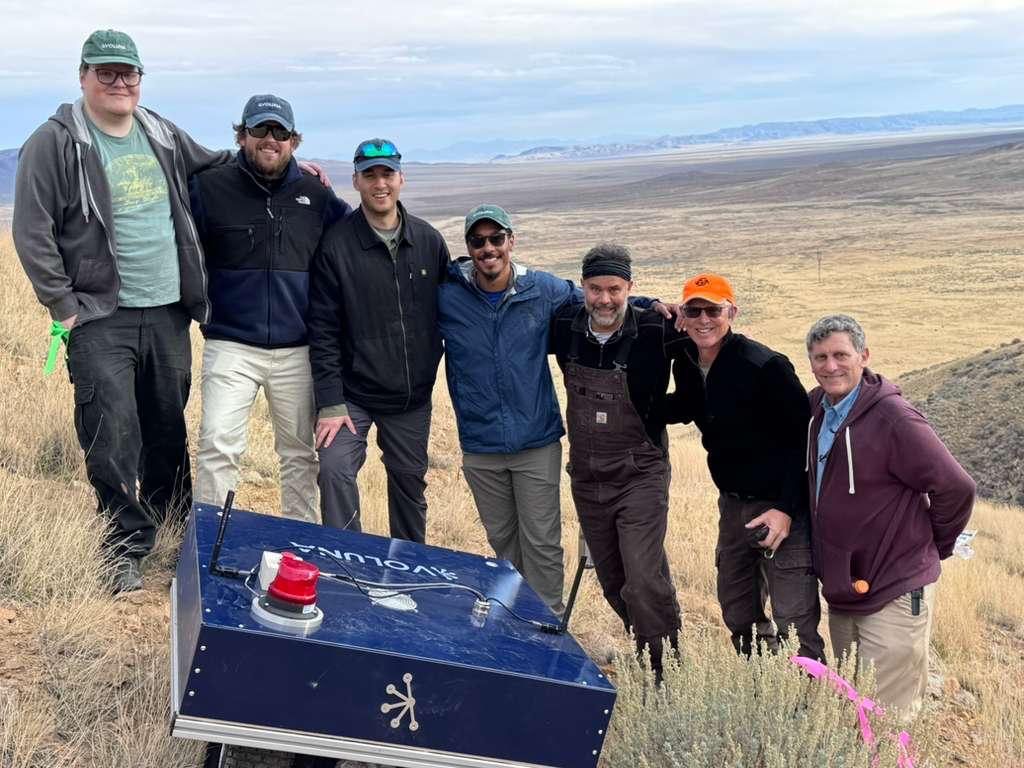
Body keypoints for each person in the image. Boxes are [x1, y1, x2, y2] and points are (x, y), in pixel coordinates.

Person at [12, 29, 234, 593]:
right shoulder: (56, 141)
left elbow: (214, 167)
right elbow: (32, 229)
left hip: (166, 313)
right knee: (111, 431)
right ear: (83, 75)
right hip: (99, 315)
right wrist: (63, 306)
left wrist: (284, 170)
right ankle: (123, 544)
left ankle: (171, 523)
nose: (118, 82)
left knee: (166, 424)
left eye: (128, 73)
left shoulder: (158, 130)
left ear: (140, 79)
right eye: (106, 72)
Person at [437, 205, 671, 614]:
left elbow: (599, 301)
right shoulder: (448, 295)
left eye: (496, 239)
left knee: (542, 541)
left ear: (511, 241)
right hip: (479, 441)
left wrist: (656, 305)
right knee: (503, 540)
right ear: (468, 246)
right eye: (478, 241)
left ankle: (547, 624)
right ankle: (516, 617)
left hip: (536, 439)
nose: (488, 248)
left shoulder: (542, 290)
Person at [189, 95, 350, 522]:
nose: (270, 139)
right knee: (218, 446)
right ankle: (208, 544)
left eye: (280, 132)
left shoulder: (316, 195)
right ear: (242, 135)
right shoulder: (209, 188)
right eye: (260, 129)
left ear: (294, 141)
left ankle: (300, 544)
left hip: (298, 348)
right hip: (230, 343)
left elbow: (355, 241)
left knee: (300, 454)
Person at [805, 314, 975, 718]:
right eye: (820, 357)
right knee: (854, 704)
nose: (831, 366)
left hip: (895, 589)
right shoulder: (818, 408)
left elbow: (957, 487)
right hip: (847, 587)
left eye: (841, 355)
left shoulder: (894, 419)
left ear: (863, 356)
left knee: (886, 716)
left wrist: (930, 546)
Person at [665, 274, 824, 660]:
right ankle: (761, 683)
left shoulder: (765, 366)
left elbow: (802, 443)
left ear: (731, 312)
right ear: (682, 315)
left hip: (779, 503)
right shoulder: (686, 359)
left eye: (714, 310)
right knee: (737, 606)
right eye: (693, 310)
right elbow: (686, 406)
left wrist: (786, 509)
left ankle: (808, 700)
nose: (704, 319)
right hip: (733, 505)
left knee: (793, 615)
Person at [551, 243, 684, 680]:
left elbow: (709, 349)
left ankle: (668, 670)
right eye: (595, 289)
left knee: (643, 578)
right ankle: (649, 647)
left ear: (631, 287)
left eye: (615, 289)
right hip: (588, 477)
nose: (604, 299)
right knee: (612, 580)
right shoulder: (565, 326)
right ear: (582, 287)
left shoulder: (655, 329)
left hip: (640, 472)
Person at [309, 139, 450, 543]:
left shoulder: (428, 241)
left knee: (409, 482)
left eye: (387, 173)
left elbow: (454, 304)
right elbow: (323, 330)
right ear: (355, 181)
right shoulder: (336, 246)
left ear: (401, 178)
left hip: (411, 397)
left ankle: (409, 566)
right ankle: (345, 560)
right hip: (351, 396)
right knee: (334, 469)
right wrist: (331, 402)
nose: (380, 183)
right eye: (369, 175)